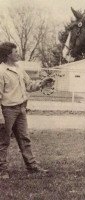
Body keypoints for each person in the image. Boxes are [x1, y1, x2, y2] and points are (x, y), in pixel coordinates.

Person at [0, 42, 54, 179]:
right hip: (7, 111)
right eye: (15, 51)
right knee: (3, 141)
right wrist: (0, 117)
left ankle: (32, 167)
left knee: (25, 139)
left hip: (21, 109)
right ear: (8, 55)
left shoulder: (19, 68)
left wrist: (42, 82)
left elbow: (29, 85)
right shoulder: (1, 71)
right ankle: (2, 170)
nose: (17, 53)